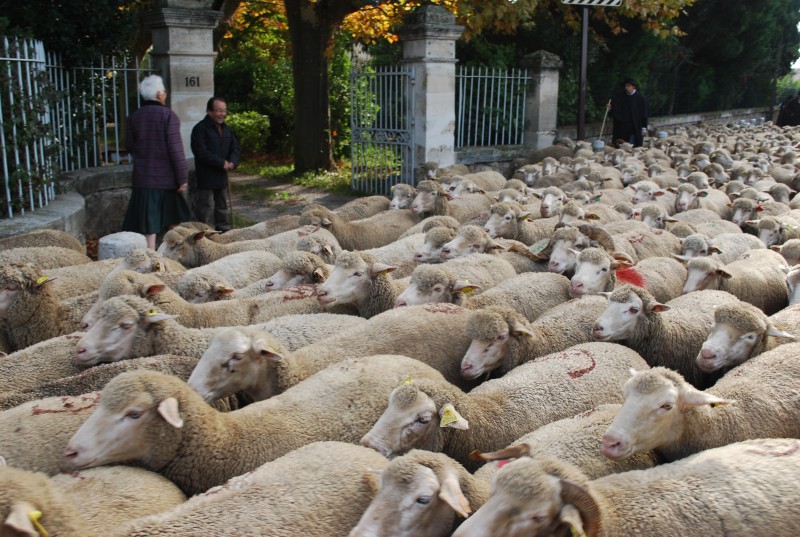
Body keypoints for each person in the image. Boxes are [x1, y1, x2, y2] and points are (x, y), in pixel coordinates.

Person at [122, 74, 191, 250]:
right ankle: (172, 254)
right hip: (167, 179)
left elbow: (129, 145)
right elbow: (175, 149)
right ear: (160, 94)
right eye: (164, 92)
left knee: (148, 224)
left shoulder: (134, 117)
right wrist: (182, 177)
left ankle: (150, 256)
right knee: (171, 219)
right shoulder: (168, 116)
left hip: (143, 178)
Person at [191, 96, 240, 232]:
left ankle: (224, 232)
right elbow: (200, 151)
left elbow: (235, 148)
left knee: (222, 206)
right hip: (206, 175)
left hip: (222, 174)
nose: (222, 114)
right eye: (218, 110)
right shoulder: (199, 129)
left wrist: (233, 162)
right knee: (204, 207)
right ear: (209, 111)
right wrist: (221, 162)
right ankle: (203, 233)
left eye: (224, 111)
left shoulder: (227, 129)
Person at [609, 78, 649, 148]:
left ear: (634, 86)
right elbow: (615, 110)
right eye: (625, 86)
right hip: (622, 128)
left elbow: (644, 113)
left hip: (634, 127)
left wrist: (644, 128)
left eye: (628, 86)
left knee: (632, 148)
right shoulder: (619, 97)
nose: (626, 88)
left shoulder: (641, 98)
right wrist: (610, 108)